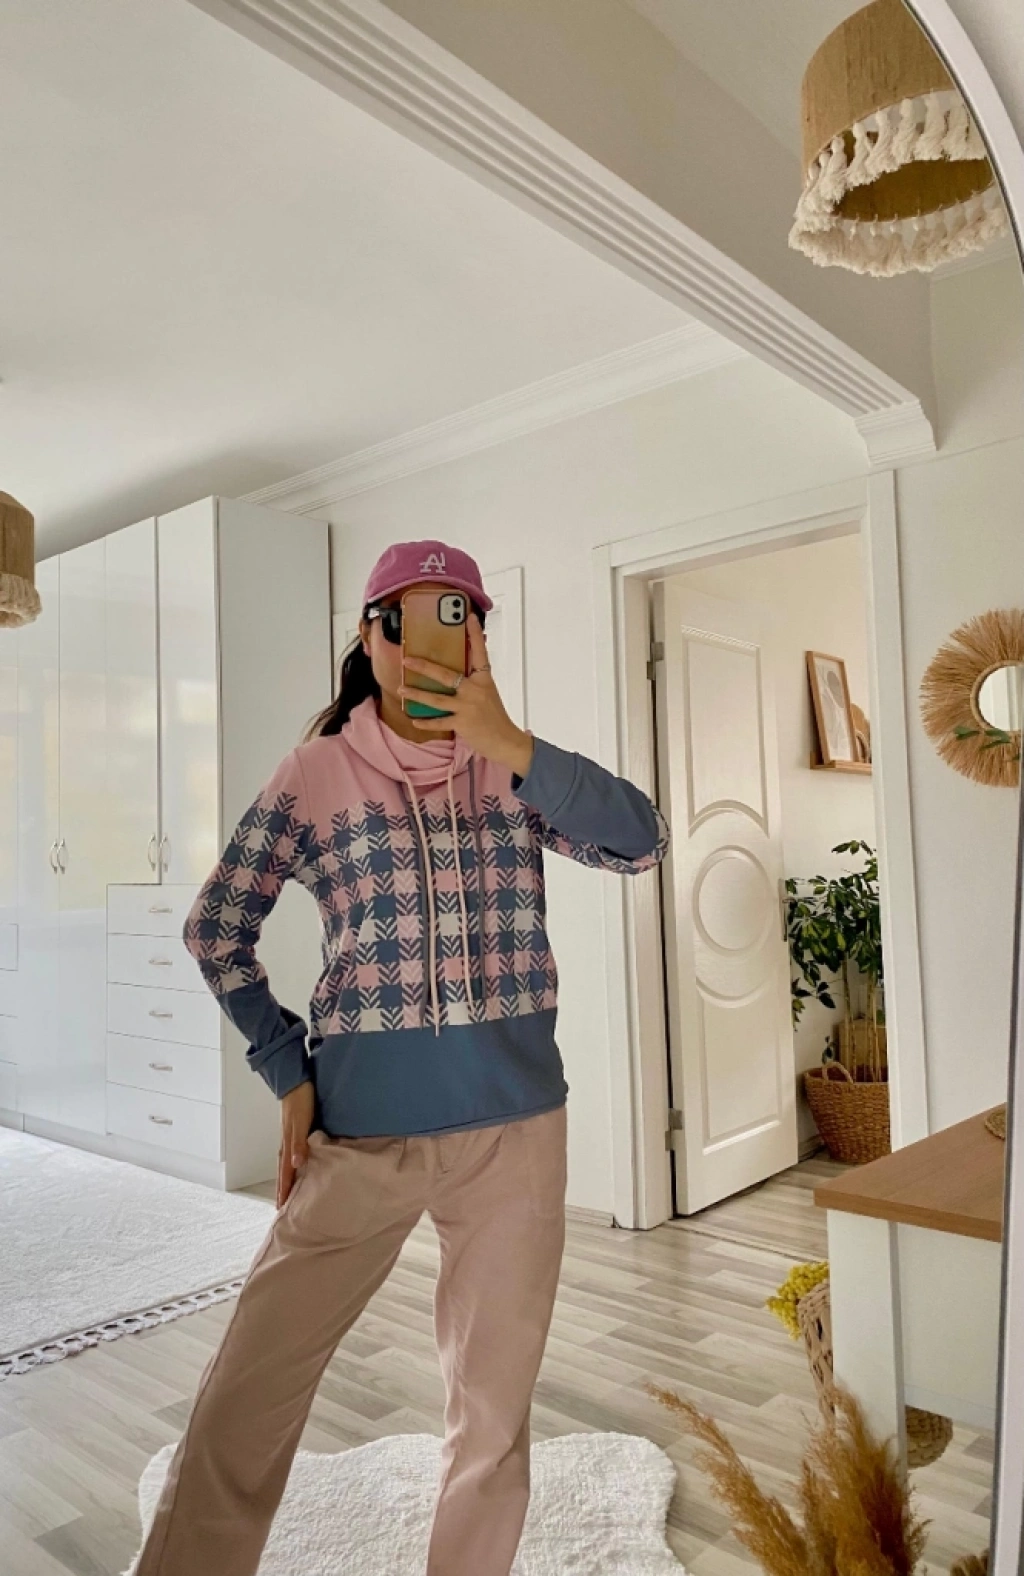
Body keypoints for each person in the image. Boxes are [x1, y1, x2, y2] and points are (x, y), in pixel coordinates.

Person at [133, 540, 669, 1576]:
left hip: (516, 1134)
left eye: (459, 615)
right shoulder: (315, 774)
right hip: (363, 1136)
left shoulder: (515, 769)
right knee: (248, 1393)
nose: (434, 638)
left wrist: (513, 743)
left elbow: (642, 843)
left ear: (480, 639)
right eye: (409, 617)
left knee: (493, 1420)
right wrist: (286, 1069)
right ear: (370, 636)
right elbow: (216, 927)